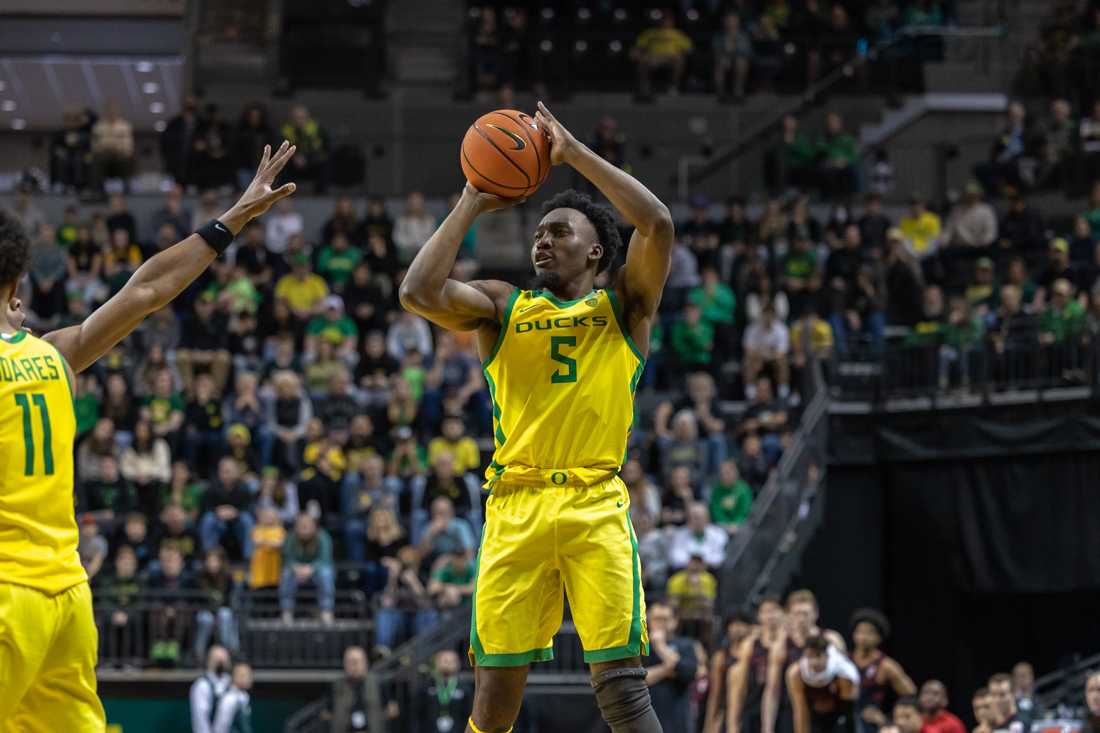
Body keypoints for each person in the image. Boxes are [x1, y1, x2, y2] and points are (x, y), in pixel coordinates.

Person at [0, 141, 296, 729]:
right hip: (65, 598)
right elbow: (144, 291)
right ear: (13, 290)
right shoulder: (52, 355)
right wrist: (230, 220)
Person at [400, 101, 674, 733]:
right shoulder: (502, 305)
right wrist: (472, 198)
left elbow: (656, 223)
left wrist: (574, 155)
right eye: (539, 231)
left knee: (623, 686)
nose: (543, 239)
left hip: (592, 501)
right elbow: (417, 292)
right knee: (494, 701)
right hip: (515, 505)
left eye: (560, 231)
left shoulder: (625, 307)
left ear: (596, 251)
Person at [849, 609, 916, 733]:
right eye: (859, 632)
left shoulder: (886, 666)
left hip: (869, 725)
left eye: (869, 633)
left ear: (879, 638)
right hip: (845, 720)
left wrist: (887, 719)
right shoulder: (844, 660)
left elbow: (911, 696)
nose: (863, 637)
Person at [726, 596, 786, 733]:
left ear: (783, 613)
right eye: (766, 611)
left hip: (783, 708)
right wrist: (733, 725)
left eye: (774, 610)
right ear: (759, 616)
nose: (771, 616)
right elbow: (738, 687)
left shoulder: (789, 642)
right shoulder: (751, 644)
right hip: (754, 707)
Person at [644, 601, 705, 731]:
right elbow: (640, 679)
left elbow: (690, 672)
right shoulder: (640, 648)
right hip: (646, 718)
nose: (660, 624)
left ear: (674, 621)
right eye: (656, 619)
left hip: (678, 720)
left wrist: (660, 647)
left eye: (665, 619)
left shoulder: (686, 645)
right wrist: (669, 668)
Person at [786, 634, 860, 733]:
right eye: (810, 656)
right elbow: (801, 711)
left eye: (818, 656)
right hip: (814, 717)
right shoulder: (795, 673)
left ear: (827, 655)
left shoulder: (843, 673)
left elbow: (848, 713)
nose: (814, 662)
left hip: (838, 717)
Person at [279, 512, 336, 624]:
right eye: (301, 526)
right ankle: (287, 611)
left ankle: (326, 610)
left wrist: (310, 568)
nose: (304, 529)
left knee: (326, 574)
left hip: (316, 570)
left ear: (314, 526)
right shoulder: (290, 537)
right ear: (296, 527)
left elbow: (325, 559)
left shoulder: (323, 536)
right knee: (286, 574)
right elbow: (287, 558)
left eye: (307, 526)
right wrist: (296, 567)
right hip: (296, 570)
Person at [703, 611, 754, 733]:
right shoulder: (721, 657)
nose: (738, 628)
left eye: (742, 624)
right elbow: (715, 695)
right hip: (728, 710)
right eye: (733, 624)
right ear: (727, 628)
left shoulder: (755, 652)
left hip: (752, 708)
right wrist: (709, 724)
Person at [420, 649, 474, 733]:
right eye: (445, 660)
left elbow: (470, 715)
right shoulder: (425, 687)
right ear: (436, 663)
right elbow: (417, 715)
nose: (448, 664)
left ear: (458, 664)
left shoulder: (466, 688)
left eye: (452, 661)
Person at [190, 644, 232, 733]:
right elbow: (200, 719)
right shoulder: (202, 685)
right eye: (217, 659)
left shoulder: (232, 683)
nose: (221, 662)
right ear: (209, 661)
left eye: (224, 659)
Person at [213, 661, 253, 733]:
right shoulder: (229, 699)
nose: (248, 679)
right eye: (243, 675)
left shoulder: (243, 696)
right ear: (234, 677)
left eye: (249, 675)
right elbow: (220, 728)